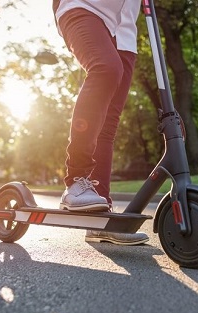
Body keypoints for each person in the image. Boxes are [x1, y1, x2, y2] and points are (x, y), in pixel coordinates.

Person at [52, 0, 149, 245]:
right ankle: (75, 181)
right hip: (84, 7)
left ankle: (100, 218)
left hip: (125, 31)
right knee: (106, 68)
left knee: (108, 123)